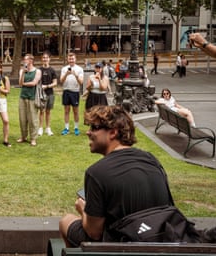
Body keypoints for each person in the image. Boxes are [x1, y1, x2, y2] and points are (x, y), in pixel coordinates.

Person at [59, 105, 173, 247]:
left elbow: (94, 232)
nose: (88, 132)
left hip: (120, 247)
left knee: (66, 221)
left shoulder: (97, 173)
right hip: (159, 241)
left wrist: (82, 209)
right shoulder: (152, 161)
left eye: (94, 127)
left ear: (113, 132)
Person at [17, 53, 42, 146]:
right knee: (22, 118)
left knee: (33, 119)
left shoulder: (37, 71)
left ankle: (33, 138)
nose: (24, 61)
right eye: (24, 59)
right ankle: (23, 136)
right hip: (22, 97)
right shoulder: (21, 71)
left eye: (26, 59)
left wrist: (24, 83)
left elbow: (34, 83)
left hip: (32, 97)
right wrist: (23, 73)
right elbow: (20, 83)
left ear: (31, 60)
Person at [60, 53, 84, 136]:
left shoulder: (79, 69)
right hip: (66, 91)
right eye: (70, 59)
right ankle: (66, 128)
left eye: (72, 59)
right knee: (66, 111)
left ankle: (76, 128)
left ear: (75, 59)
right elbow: (61, 81)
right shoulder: (64, 69)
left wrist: (75, 74)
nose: (71, 60)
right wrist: (67, 74)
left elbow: (81, 82)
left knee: (75, 111)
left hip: (75, 91)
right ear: (68, 59)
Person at [37, 51, 57, 137]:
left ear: (49, 59)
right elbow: (36, 81)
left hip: (50, 93)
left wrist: (47, 86)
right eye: (43, 58)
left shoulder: (52, 70)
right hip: (41, 94)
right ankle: (40, 128)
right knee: (41, 111)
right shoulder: (39, 70)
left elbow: (55, 83)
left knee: (48, 111)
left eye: (47, 58)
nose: (45, 59)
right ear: (42, 59)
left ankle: (48, 128)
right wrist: (40, 86)